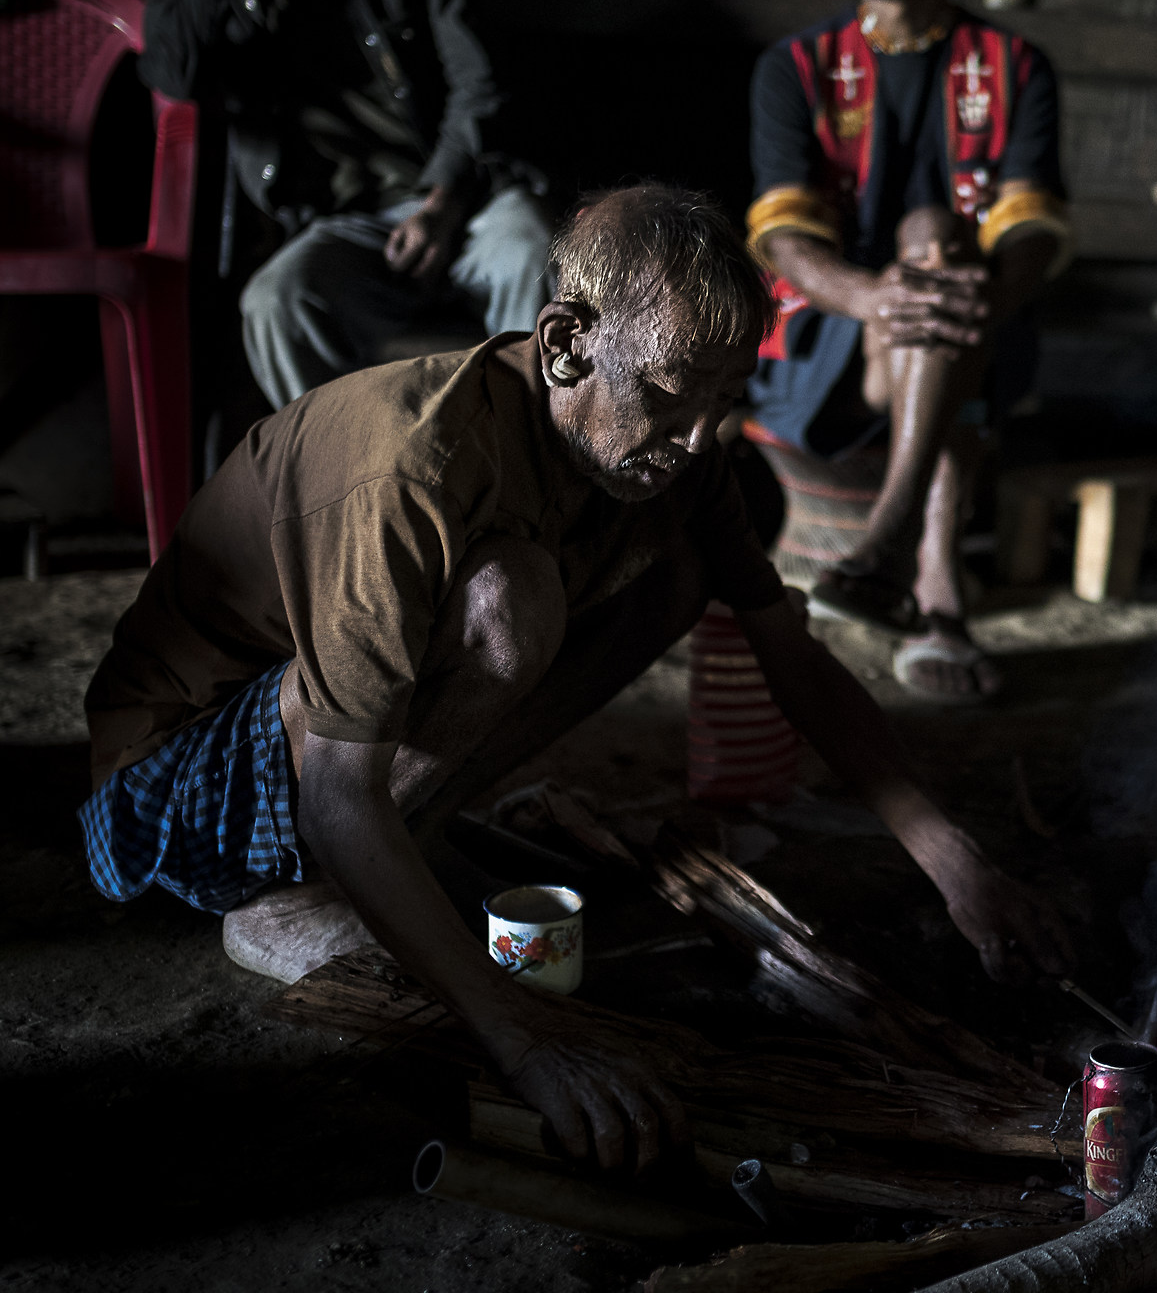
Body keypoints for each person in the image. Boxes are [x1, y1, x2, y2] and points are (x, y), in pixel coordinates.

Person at [78, 184, 1074, 1172]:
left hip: (323, 754)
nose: (697, 440)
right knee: (511, 600)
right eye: (670, 394)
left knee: (679, 569)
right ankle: (297, 889)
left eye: (725, 404)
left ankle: (408, 837)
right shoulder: (413, 467)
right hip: (182, 777)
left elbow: (794, 662)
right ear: (565, 344)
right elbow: (339, 792)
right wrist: (528, 1040)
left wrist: (958, 866)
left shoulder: (680, 459)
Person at [745, 0, 1070, 704]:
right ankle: (934, 591)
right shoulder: (797, 69)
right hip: (826, 345)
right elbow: (782, 234)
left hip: (974, 324)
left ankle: (885, 548)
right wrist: (878, 299)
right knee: (931, 270)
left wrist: (971, 296)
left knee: (938, 245)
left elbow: (1033, 224)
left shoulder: (1013, 66)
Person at [139, 0, 551, 410]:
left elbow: (480, 82)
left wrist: (441, 204)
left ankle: (529, 479)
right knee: (274, 301)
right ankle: (342, 496)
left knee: (533, 249)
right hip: (346, 228)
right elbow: (176, 74)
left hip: (462, 200)